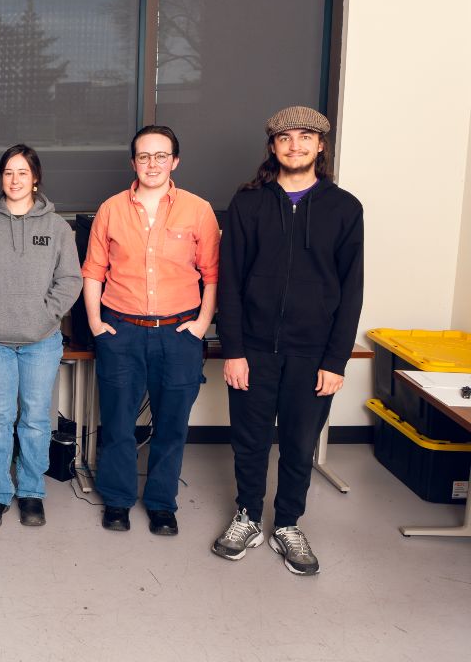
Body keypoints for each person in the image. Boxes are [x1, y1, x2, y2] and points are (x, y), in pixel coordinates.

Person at [212, 106, 363, 576]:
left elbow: (351, 288)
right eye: (284, 138)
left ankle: (289, 524)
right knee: (249, 441)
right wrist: (233, 350)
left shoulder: (345, 208)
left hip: (313, 352)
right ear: (273, 147)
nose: (294, 145)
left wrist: (336, 361)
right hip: (253, 349)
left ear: (321, 145)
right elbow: (230, 282)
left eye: (304, 137)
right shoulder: (248, 204)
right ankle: (248, 517)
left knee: (299, 444)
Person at [81, 125, 219, 535]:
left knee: (172, 424)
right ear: (133, 163)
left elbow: (212, 274)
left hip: (179, 334)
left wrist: (201, 325)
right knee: (119, 423)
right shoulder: (111, 209)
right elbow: (93, 272)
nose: (153, 164)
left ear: (175, 161)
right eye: (144, 156)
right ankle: (118, 501)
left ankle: (162, 504)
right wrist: (95, 323)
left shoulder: (199, 210)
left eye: (161, 156)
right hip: (121, 330)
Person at [0, 144, 82, 529]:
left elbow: (70, 280)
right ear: (2, 178)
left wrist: (47, 314)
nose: (15, 180)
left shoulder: (56, 228)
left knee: (34, 419)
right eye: (9, 172)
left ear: (35, 179)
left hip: (41, 341)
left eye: (23, 173)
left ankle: (31, 492)